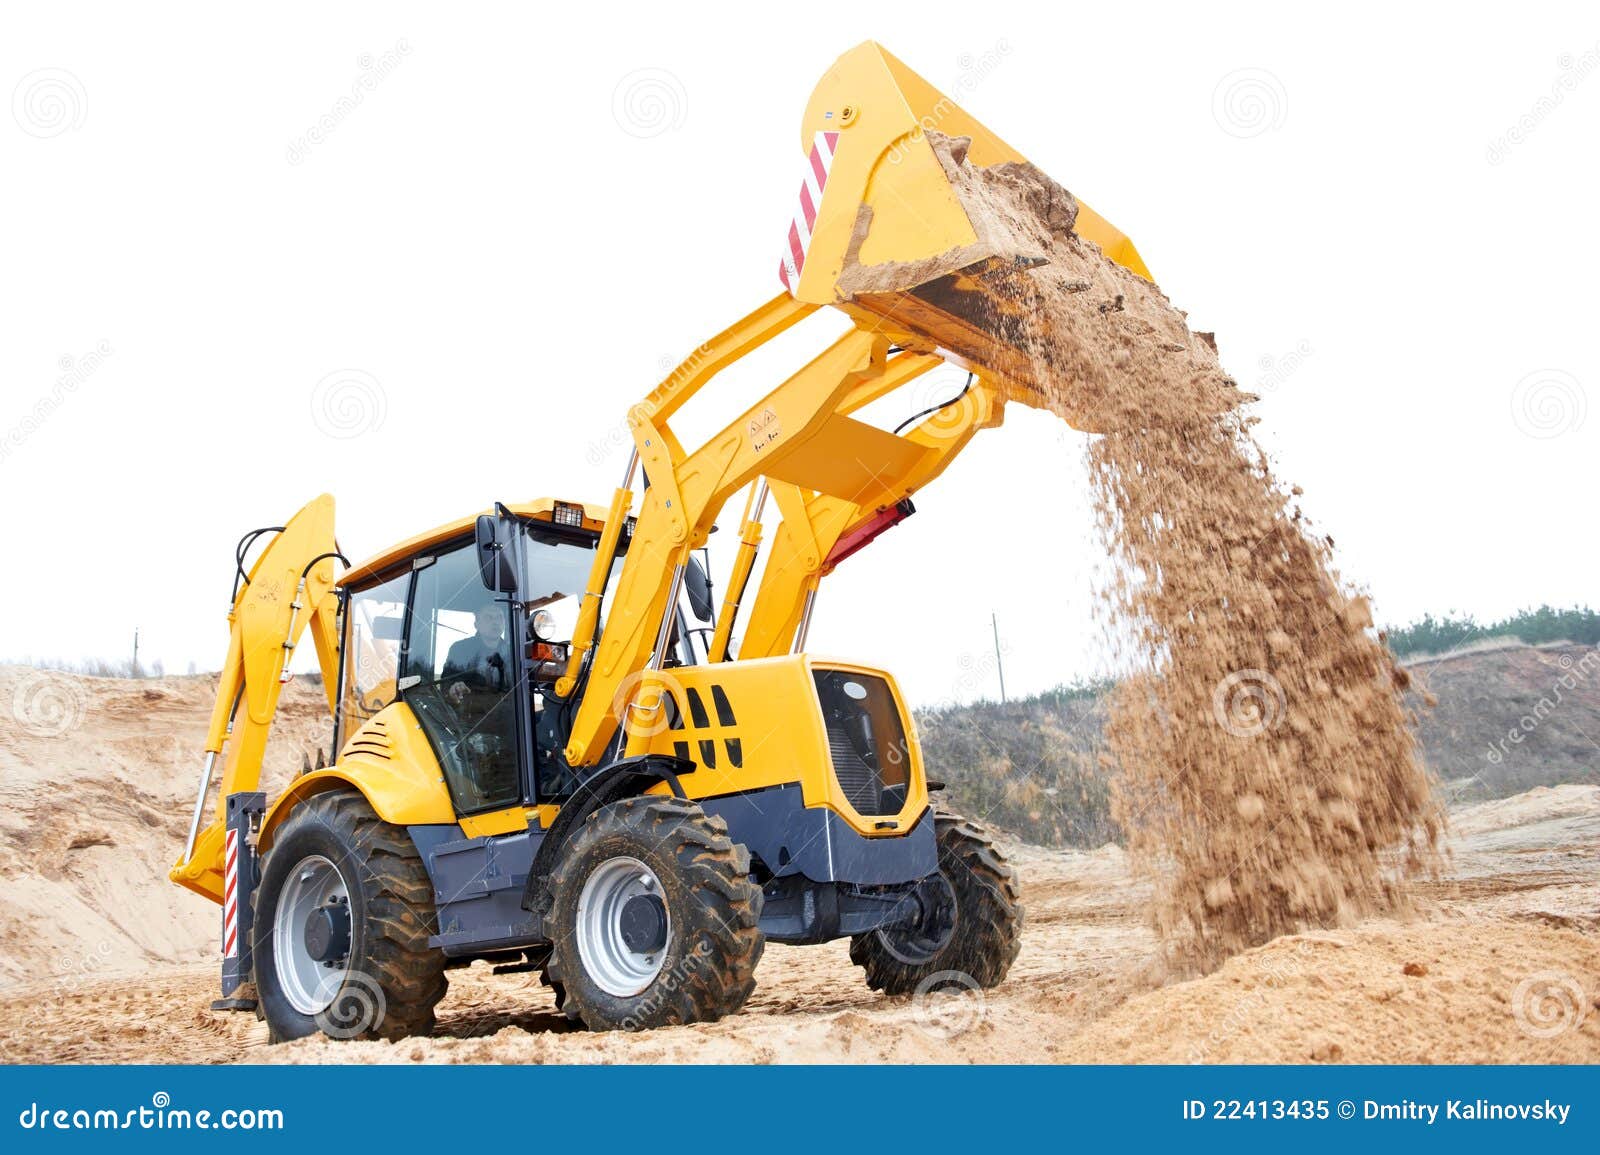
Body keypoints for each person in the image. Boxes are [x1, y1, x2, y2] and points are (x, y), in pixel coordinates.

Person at [443, 601, 508, 698]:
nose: (495, 622)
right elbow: (446, 685)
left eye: (499, 617)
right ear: (476, 624)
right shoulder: (460, 649)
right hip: (470, 706)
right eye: (488, 618)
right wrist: (454, 688)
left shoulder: (513, 652)